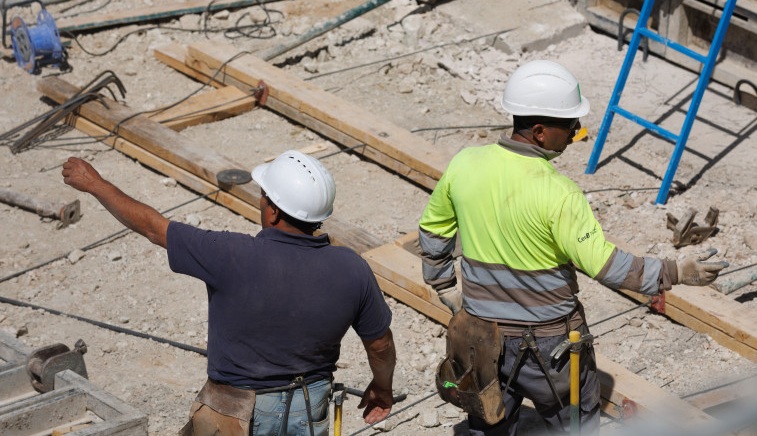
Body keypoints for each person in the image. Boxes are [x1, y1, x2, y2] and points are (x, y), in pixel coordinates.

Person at [418, 60, 728, 435]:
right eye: (570, 126)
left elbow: (434, 227)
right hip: (550, 346)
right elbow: (606, 266)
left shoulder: (465, 164)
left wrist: (443, 285)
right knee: (574, 424)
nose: (576, 133)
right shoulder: (560, 194)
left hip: (482, 335)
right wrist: (673, 272)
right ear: (539, 132)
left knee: (488, 419)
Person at [62, 150, 396, 436]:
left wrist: (94, 183)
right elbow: (379, 345)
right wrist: (382, 388)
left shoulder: (230, 254)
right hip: (308, 410)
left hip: (235, 413)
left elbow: (152, 227)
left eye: (263, 195)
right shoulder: (353, 268)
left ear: (274, 210)